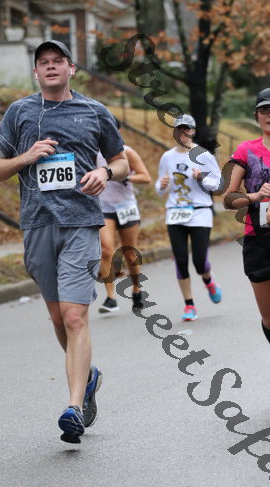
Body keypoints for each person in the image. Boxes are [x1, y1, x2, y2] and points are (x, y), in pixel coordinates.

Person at [0, 40, 128, 443]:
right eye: (43, 62)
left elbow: (119, 160)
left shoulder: (94, 111)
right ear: (36, 72)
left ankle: (74, 407)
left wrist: (105, 173)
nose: (50, 67)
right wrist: (26, 157)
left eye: (58, 61)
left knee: (74, 316)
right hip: (37, 225)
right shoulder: (19, 112)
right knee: (57, 318)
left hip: (81, 223)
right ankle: (89, 375)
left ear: (71, 68)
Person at [155, 114, 222, 321]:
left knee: (199, 262)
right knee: (181, 260)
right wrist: (162, 185)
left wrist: (201, 177)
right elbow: (159, 187)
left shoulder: (203, 155)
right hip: (175, 213)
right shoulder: (167, 157)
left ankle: (208, 280)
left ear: (193, 131)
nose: (183, 133)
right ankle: (189, 305)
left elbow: (218, 183)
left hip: (200, 212)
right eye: (179, 129)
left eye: (187, 129)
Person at [223, 88, 270, 345]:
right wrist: (255, 196)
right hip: (259, 241)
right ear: (256, 116)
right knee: (269, 319)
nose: (269, 115)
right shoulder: (246, 150)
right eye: (265, 110)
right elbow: (228, 199)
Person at [97, 118, 151, 313]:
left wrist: (126, 176)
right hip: (104, 207)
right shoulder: (94, 154)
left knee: (129, 252)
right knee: (105, 250)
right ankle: (111, 297)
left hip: (126, 206)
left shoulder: (127, 152)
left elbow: (145, 176)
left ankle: (136, 289)